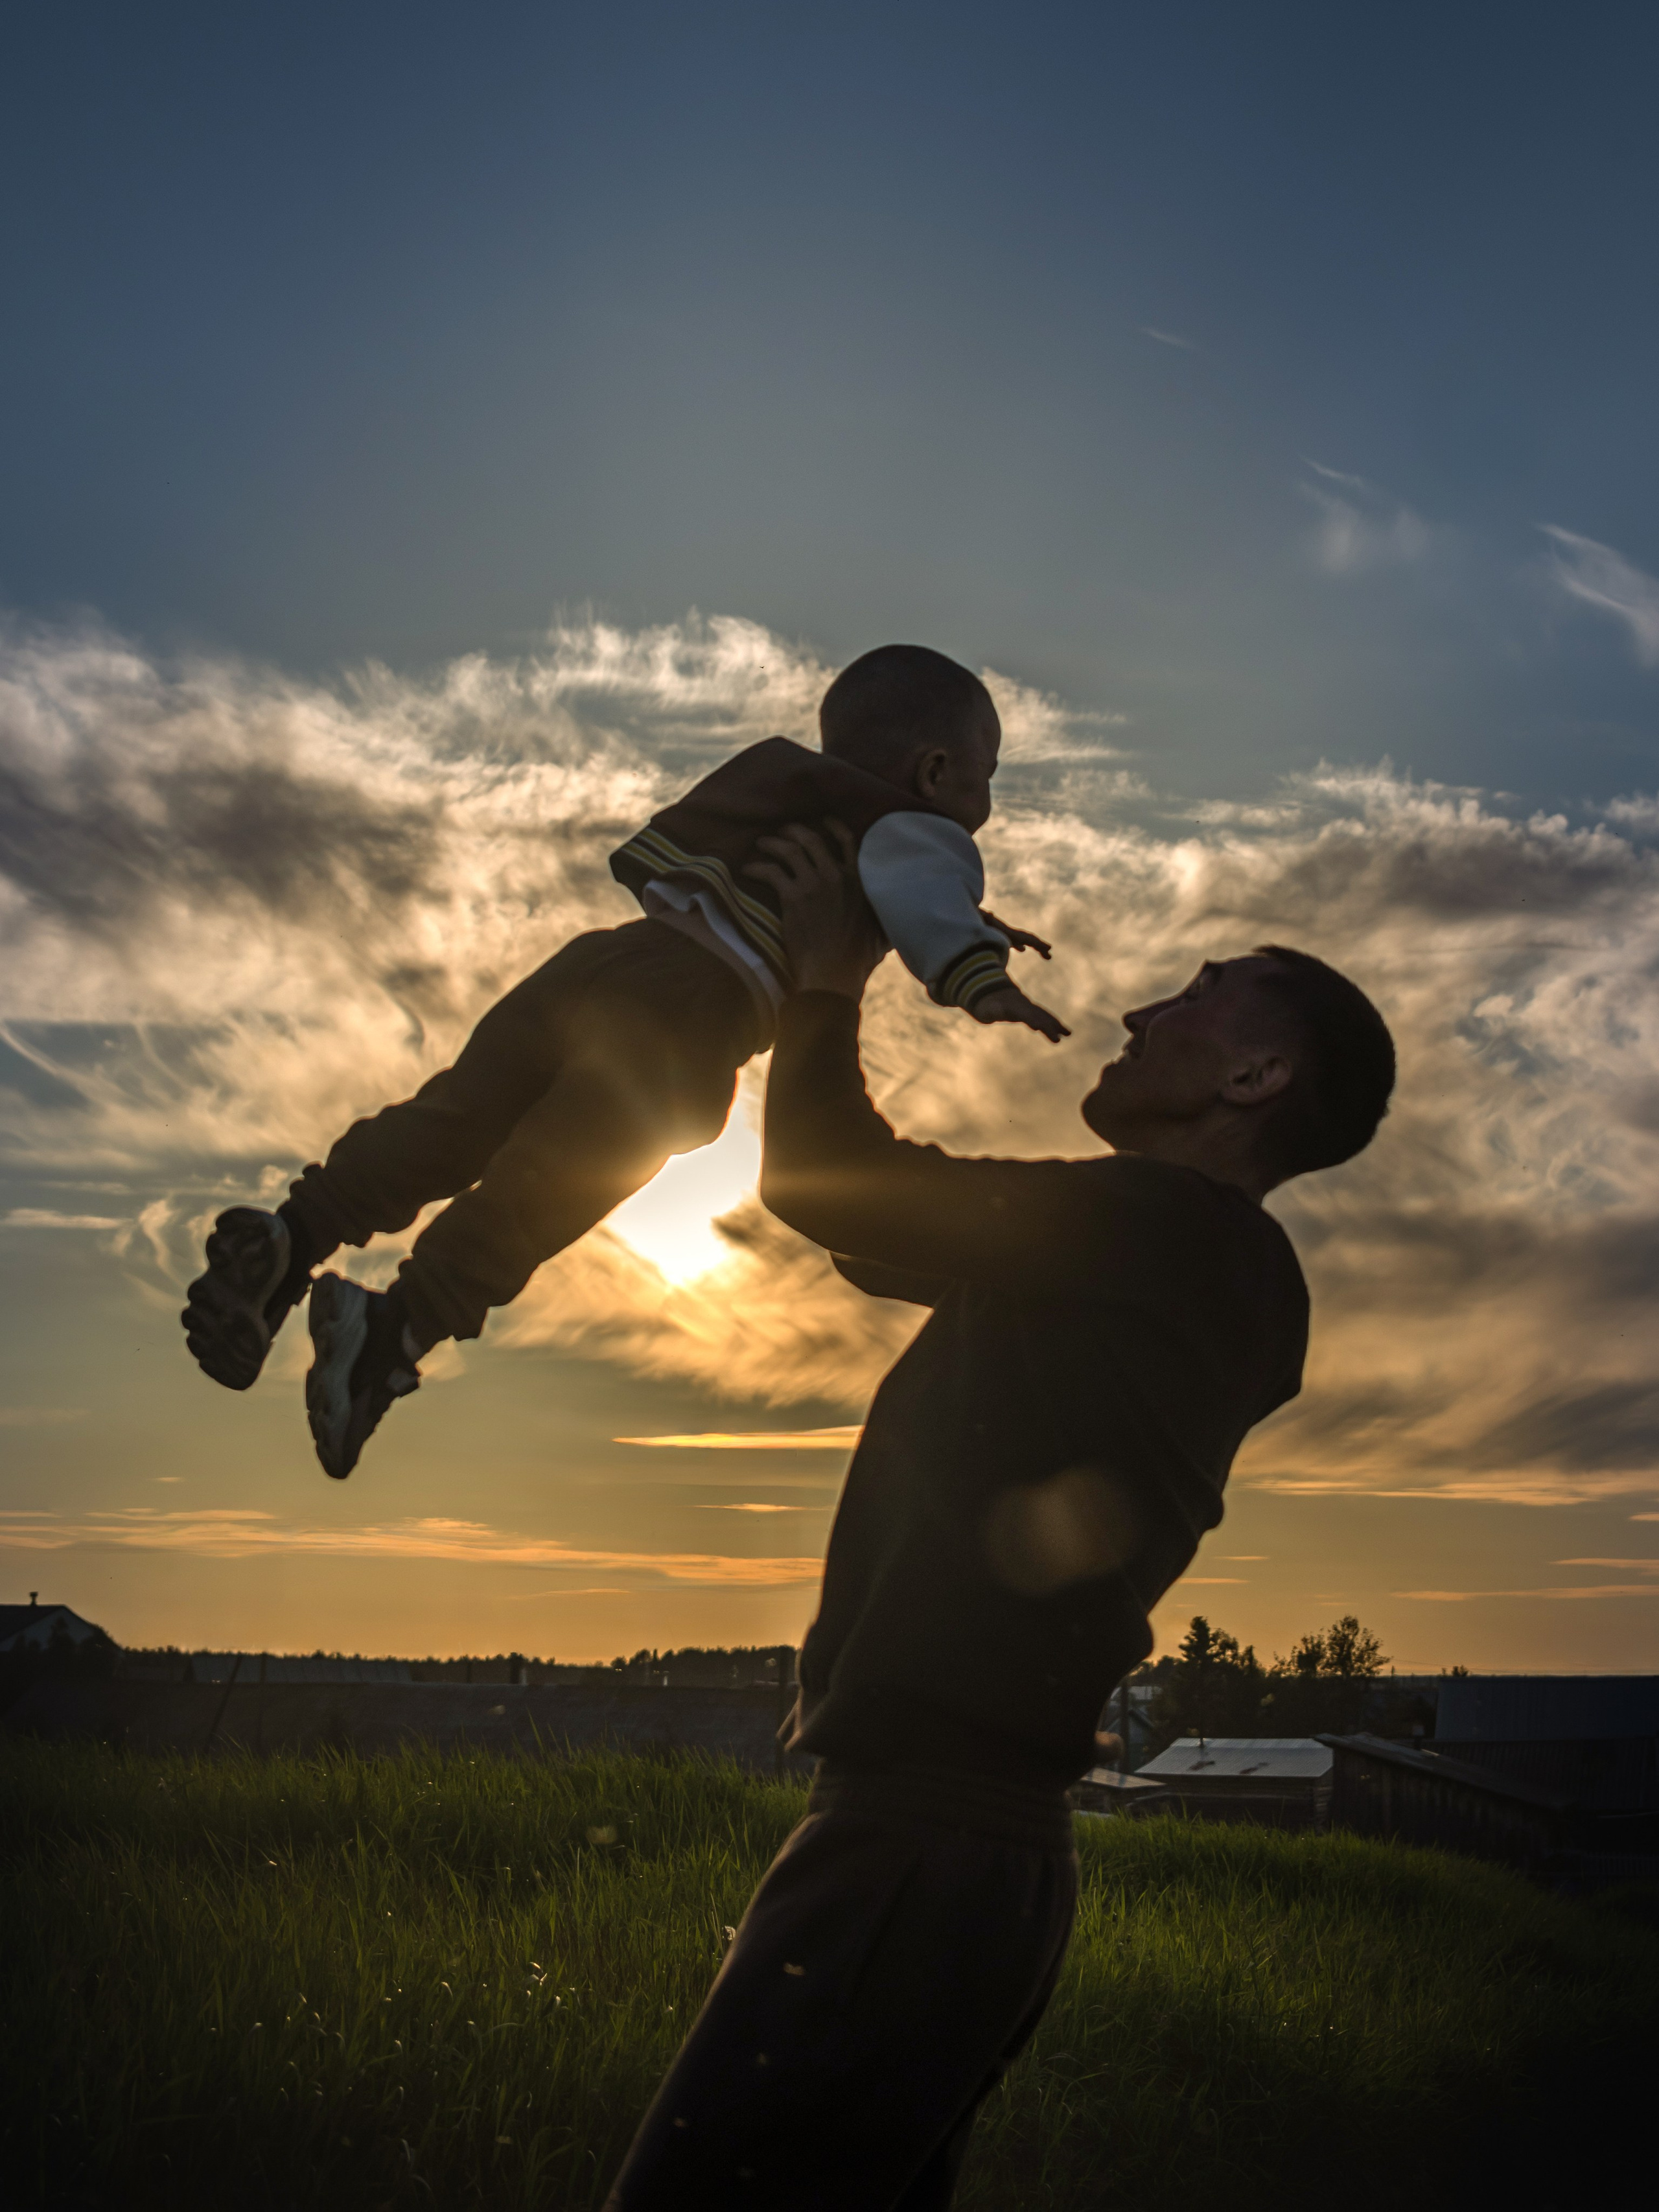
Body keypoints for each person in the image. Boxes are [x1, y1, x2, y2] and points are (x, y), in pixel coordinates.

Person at [603, 823, 1395, 2210]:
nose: (1146, 1009)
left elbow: (821, 1182)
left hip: (917, 1849)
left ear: (1255, 1077)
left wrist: (824, 978)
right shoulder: (1166, 1267)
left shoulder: (1173, 1237)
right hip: (960, 1855)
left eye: (1199, 993)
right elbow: (871, 1232)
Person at [178, 645, 1065, 1478]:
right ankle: (395, 1328)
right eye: (987, 778)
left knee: (459, 1118)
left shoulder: (794, 785)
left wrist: (981, 929)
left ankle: (295, 1236)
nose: (985, 806)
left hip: (607, 960)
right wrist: (980, 978)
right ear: (936, 769)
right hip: (691, 1013)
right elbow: (925, 902)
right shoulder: (916, 827)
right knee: (551, 1178)